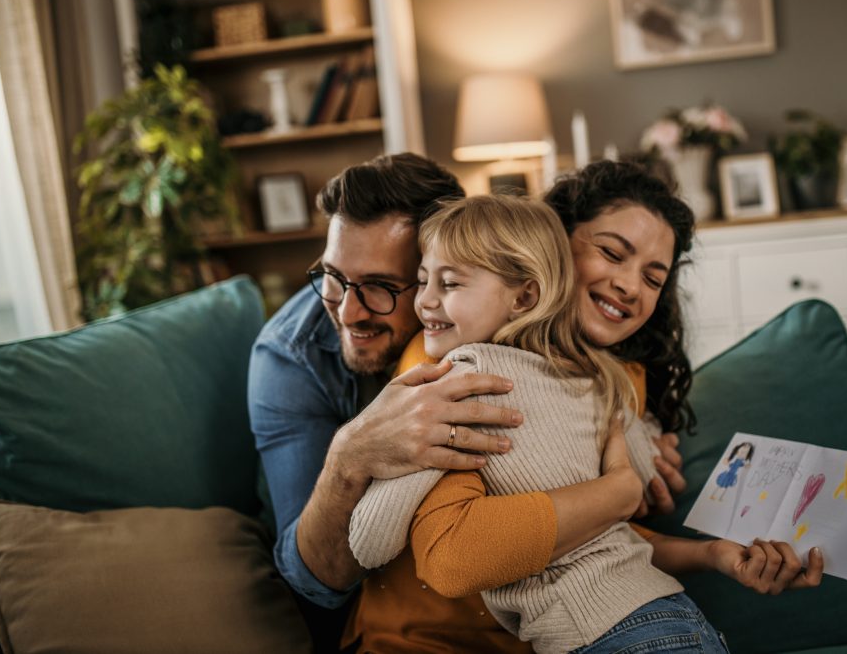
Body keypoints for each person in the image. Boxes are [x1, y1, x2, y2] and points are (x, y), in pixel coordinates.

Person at [248, 153, 688, 653]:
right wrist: (352, 454)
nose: (349, 310)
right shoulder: (314, 356)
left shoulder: (608, 371)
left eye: (383, 287)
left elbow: (602, 541)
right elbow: (323, 578)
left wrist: (642, 452)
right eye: (333, 277)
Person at [348, 194, 729, 653]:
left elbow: (367, 544)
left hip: (614, 635)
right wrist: (639, 454)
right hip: (673, 620)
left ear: (526, 294)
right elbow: (632, 484)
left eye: (653, 277)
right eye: (424, 280)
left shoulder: (460, 375)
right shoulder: (601, 378)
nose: (425, 301)